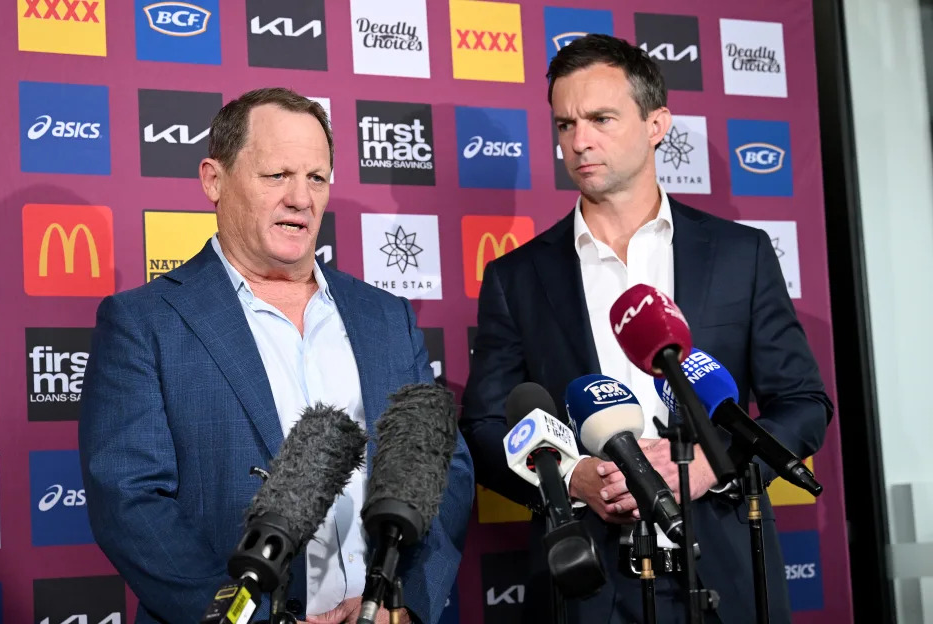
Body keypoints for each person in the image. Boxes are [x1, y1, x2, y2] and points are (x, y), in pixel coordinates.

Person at [460, 35, 833, 624]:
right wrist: (574, 478)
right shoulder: (517, 277)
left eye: (602, 118)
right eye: (565, 124)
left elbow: (804, 406)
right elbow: (483, 427)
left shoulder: (741, 255)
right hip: (588, 588)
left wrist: (713, 465)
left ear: (657, 123)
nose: (579, 141)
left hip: (727, 579)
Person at [79, 88, 474, 624]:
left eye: (316, 177)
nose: (300, 198)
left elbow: (442, 465)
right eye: (276, 176)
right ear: (213, 180)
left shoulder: (386, 316)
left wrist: (403, 605)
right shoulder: (144, 322)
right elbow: (129, 503)